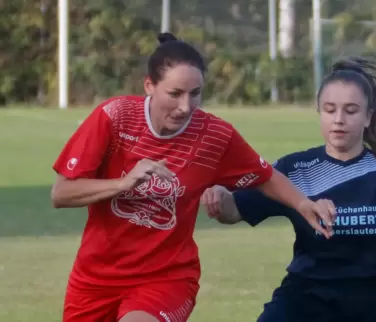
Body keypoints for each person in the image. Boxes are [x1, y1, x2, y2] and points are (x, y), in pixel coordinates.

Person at [50, 32, 334, 322]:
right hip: (95, 278)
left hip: (166, 278)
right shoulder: (114, 117)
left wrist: (303, 204)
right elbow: (61, 193)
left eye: (195, 93)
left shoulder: (215, 136)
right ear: (149, 85)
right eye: (175, 94)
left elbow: (265, 176)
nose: (186, 106)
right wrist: (123, 183)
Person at [201, 57, 376, 322]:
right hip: (302, 299)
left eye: (350, 111)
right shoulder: (295, 169)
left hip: (366, 306)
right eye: (330, 110)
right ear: (319, 112)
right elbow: (234, 210)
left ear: (368, 117)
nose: (338, 120)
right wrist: (219, 197)